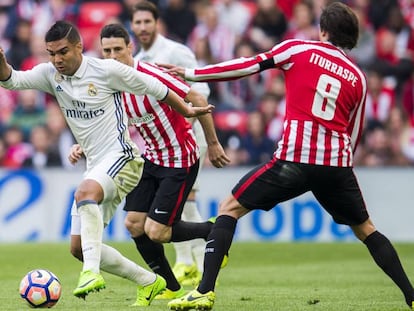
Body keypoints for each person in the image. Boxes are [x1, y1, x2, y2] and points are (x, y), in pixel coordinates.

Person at [161, 2, 414, 310]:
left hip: (293, 161)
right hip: (335, 166)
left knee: (230, 207)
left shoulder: (298, 49)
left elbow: (247, 65)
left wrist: (192, 73)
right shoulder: (358, 77)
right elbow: (354, 132)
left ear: (323, 31)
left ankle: (204, 291)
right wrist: (340, 171)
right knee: (366, 229)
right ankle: (411, 297)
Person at [0, 20, 213, 306]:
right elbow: (13, 80)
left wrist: (186, 109)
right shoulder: (50, 75)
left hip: (123, 157)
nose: (57, 60)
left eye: (63, 52)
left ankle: (91, 272)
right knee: (78, 248)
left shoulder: (106, 70)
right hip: (96, 166)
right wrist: (1, 62)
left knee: (84, 195)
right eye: (51, 53)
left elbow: (156, 87)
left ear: (79, 47)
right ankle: (149, 282)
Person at [69, 21, 230, 302]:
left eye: (118, 49)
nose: (113, 56)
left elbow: (194, 97)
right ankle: (168, 284)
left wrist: (213, 143)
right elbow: (104, 123)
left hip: (179, 159)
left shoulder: (149, 74)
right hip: (148, 159)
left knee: (156, 231)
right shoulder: (109, 81)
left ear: (130, 48)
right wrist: (81, 145)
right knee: (133, 224)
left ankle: (212, 230)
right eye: (106, 51)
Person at [130, 0, 218, 291]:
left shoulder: (175, 52)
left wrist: (185, 128)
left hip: (189, 134)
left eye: (147, 22)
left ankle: (192, 259)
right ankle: (191, 258)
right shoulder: (136, 59)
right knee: (177, 206)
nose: (142, 28)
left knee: (184, 201)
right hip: (161, 147)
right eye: (138, 23)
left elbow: (199, 91)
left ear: (157, 23)